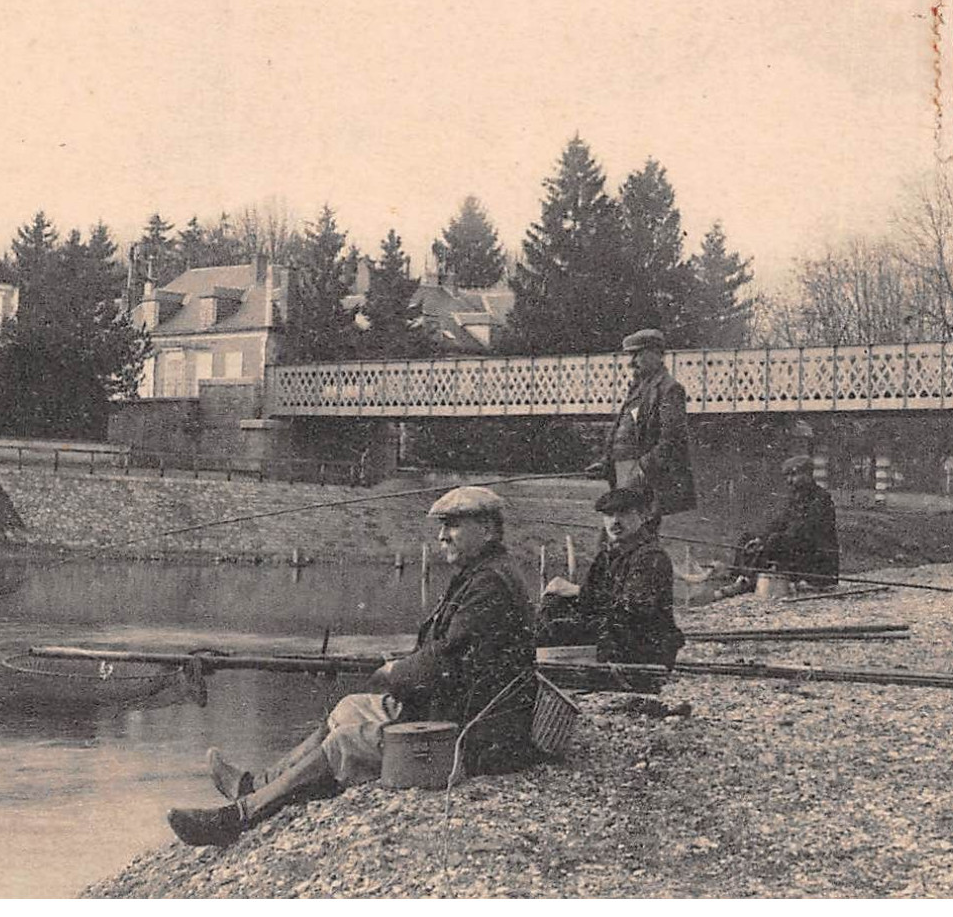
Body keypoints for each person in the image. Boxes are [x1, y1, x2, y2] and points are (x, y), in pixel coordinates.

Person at [167, 486, 536, 847]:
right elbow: (446, 652)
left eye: (453, 526)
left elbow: (446, 661)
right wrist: (399, 665)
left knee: (346, 742)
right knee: (348, 708)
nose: (442, 536)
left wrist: (394, 673)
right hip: (458, 710)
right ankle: (259, 782)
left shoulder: (490, 584)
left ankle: (239, 817)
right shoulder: (482, 572)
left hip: (475, 738)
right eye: (442, 527)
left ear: (486, 529)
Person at [536, 486, 685, 667]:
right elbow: (588, 601)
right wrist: (556, 601)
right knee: (547, 616)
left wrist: (576, 591)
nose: (615, 521)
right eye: (608, 515)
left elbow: (634, 608)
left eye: (623, 513)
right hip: (616, 636)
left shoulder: (651, 556)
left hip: (645, 647)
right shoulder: (608, 555)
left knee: (539, 639)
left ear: (642, 516)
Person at [584, 328, 696, 534]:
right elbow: (623, 430)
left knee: (638, 533)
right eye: (630, 355)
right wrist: (606, 462)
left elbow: (671, 441)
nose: (631, 362)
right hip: (623, 475)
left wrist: (641, 469)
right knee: (616, 533)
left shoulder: (669, 390)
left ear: (657, 354)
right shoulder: (638, 389)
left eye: (637, 354)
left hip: (646, 479)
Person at [742, 454, 840, 588]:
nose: (789, 480)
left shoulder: (821, 498)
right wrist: (760, 538)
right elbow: (780, 521)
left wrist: (772, 539)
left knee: (776, 539)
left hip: (817, 557)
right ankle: (739, 576)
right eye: (787, 476)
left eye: (793, 475)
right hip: (798, 545)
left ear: (807, 474)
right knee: (748, 537)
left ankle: (750, 580)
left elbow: (806, 530)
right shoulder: (794, 498)